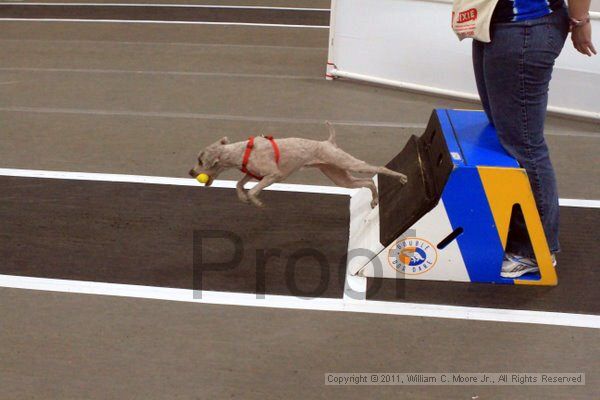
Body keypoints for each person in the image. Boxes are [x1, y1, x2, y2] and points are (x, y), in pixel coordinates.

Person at [471, 0, 596, 278]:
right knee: (507, 132)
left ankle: (534, 250)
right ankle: (518, 230)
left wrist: (581, 21)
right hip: (496, 23)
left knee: (524, 142)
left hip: (525, 27)